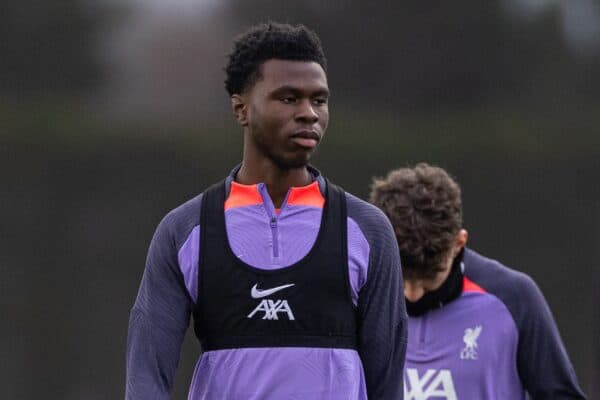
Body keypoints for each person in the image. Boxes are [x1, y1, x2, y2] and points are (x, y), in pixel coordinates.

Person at [125, 22, 407, 400]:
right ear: (241, 108)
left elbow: (387, 382)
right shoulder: (186, 230)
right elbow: (146, 374)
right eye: (288, 98)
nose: (308, 113)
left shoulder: (367, 231)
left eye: (319, 100)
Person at [369, 163, 586, 399]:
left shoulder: (513, 297)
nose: (412, 295)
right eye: (400, 279)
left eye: (428, 280)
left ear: (458, 244)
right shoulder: (357, 294)